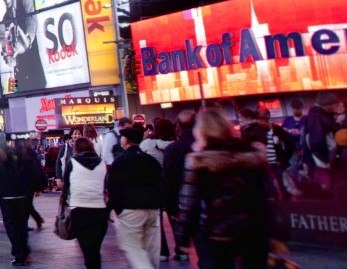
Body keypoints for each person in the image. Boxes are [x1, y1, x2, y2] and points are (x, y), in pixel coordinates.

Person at [177, 109, 271, 269]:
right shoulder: (252, 154)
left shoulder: (199, 160)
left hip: (218, 230)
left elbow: (189, 202)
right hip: (254, 227)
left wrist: (183, 237)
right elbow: (266, 192)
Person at [107, 126, 165, 269]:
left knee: (132, 246)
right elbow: (161, 182)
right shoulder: (150, 160)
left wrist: (117, 209)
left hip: (130, 209)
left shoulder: (120, 161)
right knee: (151, 248)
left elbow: (113, 186)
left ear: (125, 140)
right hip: (152, 208)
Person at [63, 136, 112, 269]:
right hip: (99, 210)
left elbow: (66, 185)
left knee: (87, 249)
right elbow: (108, 185)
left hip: (79, 210)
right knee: (95, 249)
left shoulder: (72, 162)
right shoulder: (102, 163)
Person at [0, 141, 44, 266]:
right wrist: (39, 186)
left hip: (6, 193)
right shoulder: (27, 152)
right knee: (22, 222)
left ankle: (19, 253)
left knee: (11, 224)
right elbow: (36, 169)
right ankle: (23, 252)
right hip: (24, 192)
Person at [160, 110, 198, 262]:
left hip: (180, 198)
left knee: (178, 224)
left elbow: (168, 178)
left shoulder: (173, 149)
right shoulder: (203, 144)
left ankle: (182, 249)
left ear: (179, 127)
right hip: (205, 201)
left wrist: (168, 203)